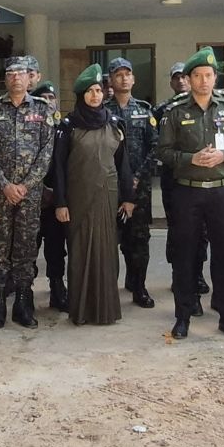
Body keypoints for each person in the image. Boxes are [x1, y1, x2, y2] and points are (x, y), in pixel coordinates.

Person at [156, 47, 224, 341]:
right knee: (185, 255)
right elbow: (163, 151)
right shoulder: (175, 111)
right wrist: (190, 159)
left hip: (222, 193)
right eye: (197, 75)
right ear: (189, 78)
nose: (203, 81)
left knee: (223, 256)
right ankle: (183, 315)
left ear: (215, 77)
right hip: (188, 193)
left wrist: (223, 156)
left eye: (208, 75)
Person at [52, 64, 136, 325]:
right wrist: (61, 202)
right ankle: (82, 310)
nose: (95, 95)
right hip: (78, 199)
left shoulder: (113, 123)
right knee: (79, 253)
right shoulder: (68, 126)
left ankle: (106, 310)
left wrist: (128, 198)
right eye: (89, 91)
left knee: (106, 251)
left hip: (107, 197)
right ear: (81, 95)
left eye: (99, 90)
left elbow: (123, 164)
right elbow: (59, 168)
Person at [0, 57, 56, 329]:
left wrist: (25, 185)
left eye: (20, 73)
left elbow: (46, 152)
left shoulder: (43, 109)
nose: (15, 78)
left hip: (29, 194)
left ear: (30, 78)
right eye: (10, 73)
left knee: (25, 250)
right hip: (1, 194)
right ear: (6, 77)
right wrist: (4, 184)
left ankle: (23, 305)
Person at [104, 57, 158, 308]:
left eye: (127, 74)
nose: (123, 78)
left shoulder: (145, 110)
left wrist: (137, 178)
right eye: (118, 75)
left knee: (139, 239)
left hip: (139, 189)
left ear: (133, 79)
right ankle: (108, 289)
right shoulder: (103, 112)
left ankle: (139, 287)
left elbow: (155, 147)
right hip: (110, 188)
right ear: (110, 81)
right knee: (110, 240)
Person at [156, 62, 211, 302]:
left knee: (202, 231)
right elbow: (159, 147)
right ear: (171, 82)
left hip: (202, 180)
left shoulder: (208, 106)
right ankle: (178, 275)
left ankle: (198, 274)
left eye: (184, 78)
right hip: (174, 179)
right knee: (178, 231)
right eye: (176, 78)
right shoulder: (162, 110)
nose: (180, 82)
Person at [32, 80, 69, 311]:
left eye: (51, 98)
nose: (48, 101)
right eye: (43, 98)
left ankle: (57, 288)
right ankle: (22, 289)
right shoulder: (29, 126)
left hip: (58, 198)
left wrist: (60, 194)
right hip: (33, 198)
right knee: (28, 248)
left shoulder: (65, 127)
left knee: (56, 249)